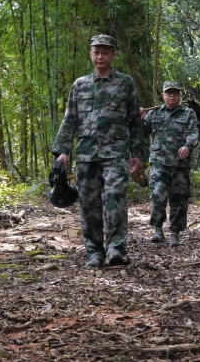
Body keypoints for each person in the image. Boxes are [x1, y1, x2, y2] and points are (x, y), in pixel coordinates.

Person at [52, 34, 144, 268]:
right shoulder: (80, 84)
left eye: (105, 52)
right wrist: (62, 151)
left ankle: (116, 250)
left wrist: (137, 153)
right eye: (96, 52)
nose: (100, 56)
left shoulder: (125, 83)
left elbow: (134, 120)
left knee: (115, 199)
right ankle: (94, 252)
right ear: (91, 54)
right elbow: (70, 119)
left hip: (115, 152)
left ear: (113, 55)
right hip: (86, 154)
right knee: (89, 203)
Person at [141, 81, 199, 247]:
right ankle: (157, 229)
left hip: (180, 163)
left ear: (180, 95)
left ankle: (175, 232)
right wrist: (140, 119)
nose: (172, 95)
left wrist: (188, 146)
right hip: (158, 162)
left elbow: (194, 133)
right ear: (163, 95)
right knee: (158, 195)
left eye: (175, 92)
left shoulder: (188, 113)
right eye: (169, 92)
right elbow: (142, 133)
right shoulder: (154, 114)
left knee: (179, 199)